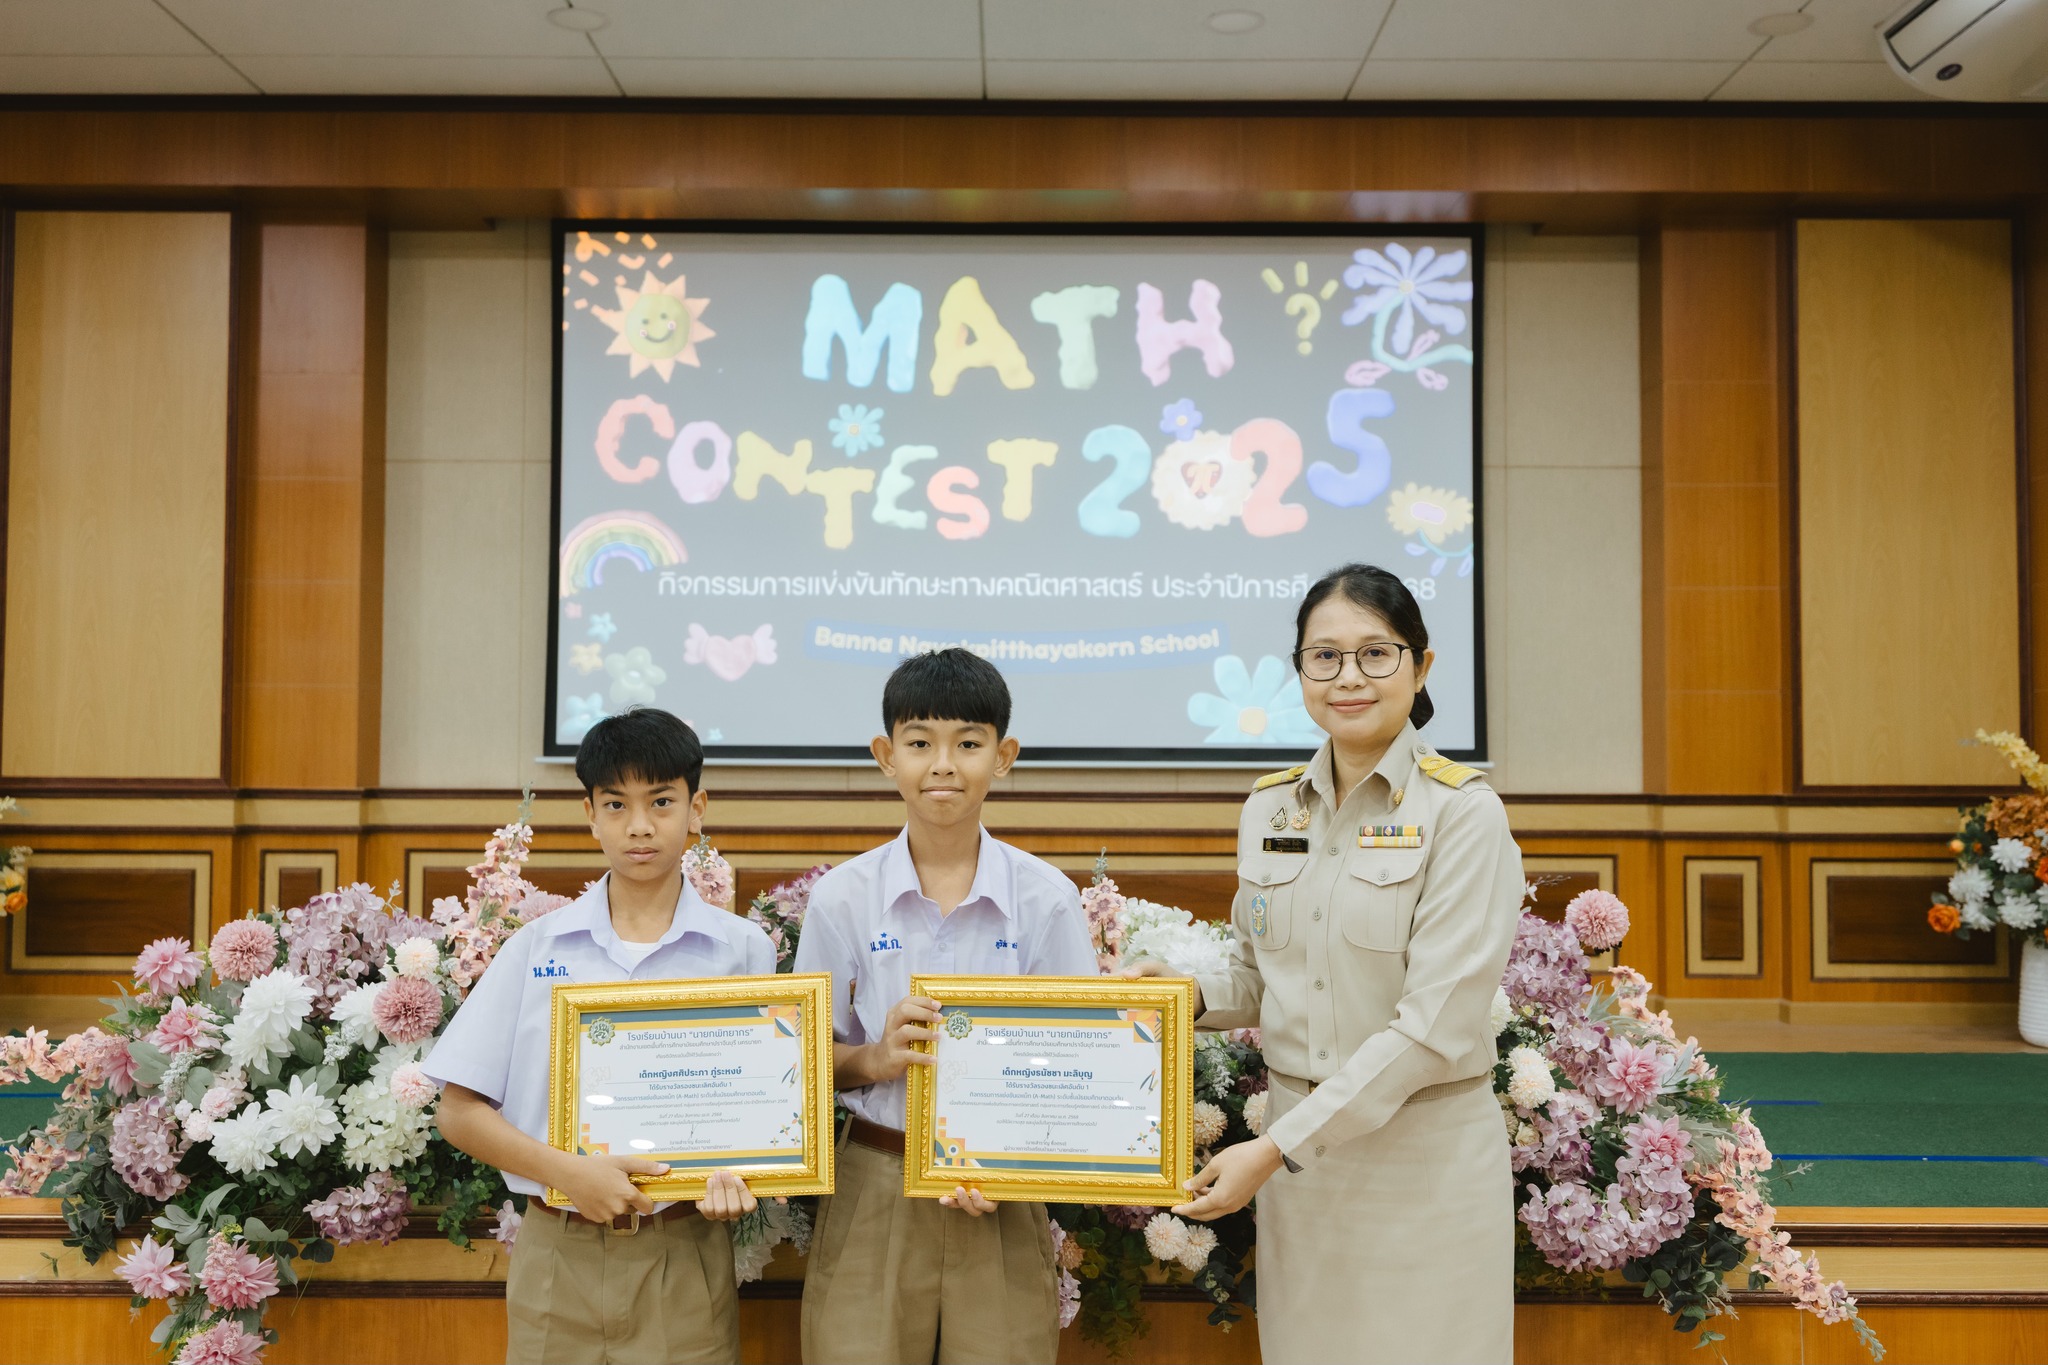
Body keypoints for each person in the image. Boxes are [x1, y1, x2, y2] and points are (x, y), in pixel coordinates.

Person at [1127, 564, 1524, 1364]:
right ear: (1300, 670)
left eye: (1376, 653)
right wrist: (1186, 995)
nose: (1349, 677)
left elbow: (1432, 1029)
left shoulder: (1463, 813)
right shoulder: (1270, 807)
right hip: (1305, 1176)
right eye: (1325, 656)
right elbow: (1260, 971)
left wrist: (1276, 1148)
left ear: (1421, 666)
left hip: (1424, 1162)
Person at [424, 707, 777, 1365]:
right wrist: (567, 1172)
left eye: (662, 801)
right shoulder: (536, 947)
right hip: (558, 1251)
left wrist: (740, 1176)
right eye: (616, 804)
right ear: (590, 814)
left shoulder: (742, 949)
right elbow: (458, 1111)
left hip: (684, 1250)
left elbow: (762, 1112)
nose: (639, 825)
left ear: (696, 809)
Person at [793, 648, 1097, 1365]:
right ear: (885, 756)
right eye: (920, 742)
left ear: (1003, 756)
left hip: (1002, 1192)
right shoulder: (842, 897)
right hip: (876, 1175)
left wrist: (1016, 1167)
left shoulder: (1047, 898)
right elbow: (800, 1063)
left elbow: (1082, 1068)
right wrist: (875, 1057)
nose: (943, 765)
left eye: (968, 743)